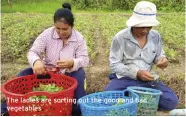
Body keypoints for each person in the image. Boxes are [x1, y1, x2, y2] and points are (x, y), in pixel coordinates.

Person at [1, 3, 89, 116]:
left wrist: (72, 62)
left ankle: (76, 110)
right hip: (47, 72)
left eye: (65, 29)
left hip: (68, 73)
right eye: (58, 29)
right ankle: (5, 109)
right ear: (54, 25)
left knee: (80, 76)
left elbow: (84, 59)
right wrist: (37, 62)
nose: (61, 32)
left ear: (72, 26)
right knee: (23, 74)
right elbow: (33, 52)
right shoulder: (47, 35)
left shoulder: (79, 38)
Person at [104, 1, 178, 111]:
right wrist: (137, 73)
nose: (145, 30)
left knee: (171, 101)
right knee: (107, 98)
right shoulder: (120, 38)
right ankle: (142, 101)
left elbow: (159, 55)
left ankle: (131, 101)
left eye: (149, 27)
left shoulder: (155, 36)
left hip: (148, 80)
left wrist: (163, 60)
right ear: (134, 23)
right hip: (126, 78)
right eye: (141, 26)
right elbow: (114, 65)